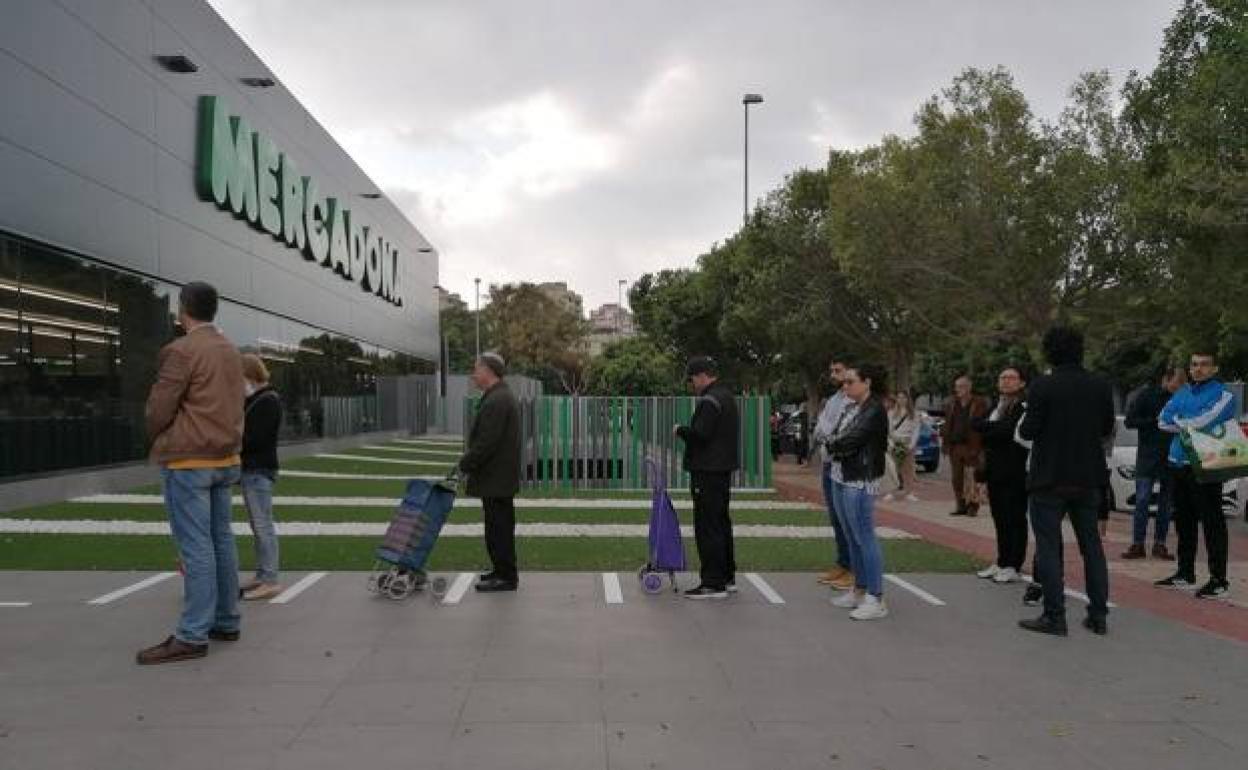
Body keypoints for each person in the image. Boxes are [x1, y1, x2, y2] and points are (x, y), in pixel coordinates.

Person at [137, 282, 245, 665]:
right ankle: (227, 620)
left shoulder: (181, 351)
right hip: (225, 458)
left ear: (183, 310)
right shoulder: (232, 351)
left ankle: (192, 634)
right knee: (221, 541)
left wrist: (157, 437)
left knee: (196, 547)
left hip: (188, 461)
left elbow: (158, 408)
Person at [1017, 326, 1114, 637]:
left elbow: (1029, 431)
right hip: (1087, 476)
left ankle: (1054, 616)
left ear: (1050, 352)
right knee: (1092, 547)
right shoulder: (1099, 385)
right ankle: (1098, 614)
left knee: (1048, 546)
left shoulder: (1043, 386)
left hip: (1049, 477)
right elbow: (1106, 427)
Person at [1154, 350, 1236, 600]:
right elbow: (1161, 420)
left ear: (1214, 369)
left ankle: (1219, 579)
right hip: (1178, 463)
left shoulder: (1224, 394)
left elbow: (1204, 421)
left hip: (1206, 463)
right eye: (1194, 365)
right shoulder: (1183, 392)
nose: (1198, 369)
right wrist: (1185, 421)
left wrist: (1180, 420)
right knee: (1183, 521)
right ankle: (1185, 572)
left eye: (1204, 364)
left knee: (1212, 523)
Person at [824, 363, 891, 621]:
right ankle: (859, 589)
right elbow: (834, 434)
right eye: (845, 382)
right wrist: (835, 443)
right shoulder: (853, 407)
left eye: (851, 381)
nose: (845, 385)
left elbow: (849, 439)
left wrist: (834, 444)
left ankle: (876, 597)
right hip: (842, 475)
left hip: (860, 479)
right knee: (852, 536)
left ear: (867, 382)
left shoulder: (874, 410)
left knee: (864, 536)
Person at [675, 355, 740, 599]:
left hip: (707, 471)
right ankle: (727, 575)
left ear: (702, 376)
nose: (692, 386)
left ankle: (713, 582)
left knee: (708, 526)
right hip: (721, 471)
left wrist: (680, 430)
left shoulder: (710, 400)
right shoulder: (726, 396)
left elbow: (701, 434)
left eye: (692, 380)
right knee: (721, 523)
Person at [459, 352, 523, 592]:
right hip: (497, 479)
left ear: (488, 371)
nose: (473, 374)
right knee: (498, 527)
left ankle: (506, 576)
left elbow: (486, 443)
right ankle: (501, 570)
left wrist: (464, 464)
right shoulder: (498, 396)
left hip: (497, 479)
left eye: (476, 369)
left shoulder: (498, 400)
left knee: (499, 529)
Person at [973, 367, 1030, 584]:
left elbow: (1009, 431)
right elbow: (976, 424)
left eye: (1011, 378)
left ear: (1021, 383)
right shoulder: (995, 406)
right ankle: (1002, 559)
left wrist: (990, 429)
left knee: (1014, 517)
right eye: (1002, 378)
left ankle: (1013, 564)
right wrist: (992, 428)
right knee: (999, 518)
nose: (1005, 381)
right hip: (994, 471)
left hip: (1015, 471)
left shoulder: (1022, 406)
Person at [1122, 365, 1185, 560]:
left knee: (1166, 504)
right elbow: (1129, 421)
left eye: (1183, 384)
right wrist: (1154, 422)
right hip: (1148, 457)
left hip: (1171, 457)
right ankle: (1137, 544)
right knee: (1142, 500)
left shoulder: (1181, 399)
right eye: (1178, 382)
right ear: (1166, 379)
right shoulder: (1146, 395)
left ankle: (1160, 544)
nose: (1180, 387)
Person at [238, 354, 283, 601]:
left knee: (263, 525)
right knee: (258, 525)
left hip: (258, 470)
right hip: (254, 470)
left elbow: (255, 439)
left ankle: (270, 579)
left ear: (250, 375)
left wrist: (234, 440)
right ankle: (262, 575)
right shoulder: (258, 399)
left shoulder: (267, 400)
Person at [810, 359, 854, 591]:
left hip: (846, 466)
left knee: (848, 519)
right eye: (832, 371)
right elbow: (821, 428)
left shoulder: (854, 400)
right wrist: (825, 430)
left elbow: (835, 429)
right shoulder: (834, 399)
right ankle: (843, 563)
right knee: (836, 518)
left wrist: (826, 430)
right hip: (829, 462)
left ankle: (854, 570)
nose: (833, 375)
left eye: (838, 370)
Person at [941, 376, 990, 516]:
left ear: (969, 387)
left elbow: (984, 424)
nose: (958, 389)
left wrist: (980, 447)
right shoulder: (951, 403)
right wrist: (945, 440)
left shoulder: (979, 403)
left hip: (972, 446)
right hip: (955, 446)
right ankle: (960, 505)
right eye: (957, 386)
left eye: (962, 386)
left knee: (972, 477)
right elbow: (948, 422)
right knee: (957, 478)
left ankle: (973, 505)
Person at [882, 391, 921, 503]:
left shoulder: (914, 414)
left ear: (908, 399)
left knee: (908, 470)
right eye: (899, 397)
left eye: (904, 397)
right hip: (894, 443)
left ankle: (909, 492)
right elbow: (888, 430)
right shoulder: (891, 413)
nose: (901, 400)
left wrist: (911, 445)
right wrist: (890, 443)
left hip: (907, 444)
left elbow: (916, 431)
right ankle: (890, 492)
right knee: (892, 469)